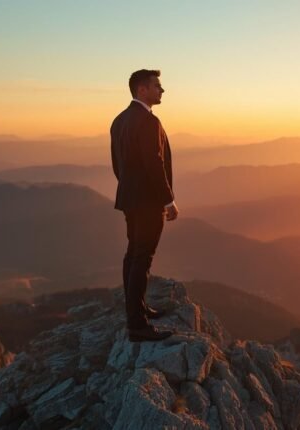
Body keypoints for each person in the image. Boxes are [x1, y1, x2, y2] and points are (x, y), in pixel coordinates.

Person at [110, 69, 179, 342]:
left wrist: (129, 188)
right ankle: (137, 325)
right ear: (142, 90)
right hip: (149, 202)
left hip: (129, 198)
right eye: (157, 86)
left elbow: (117, 164)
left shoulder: (119, 120)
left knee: (133, 254)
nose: (162, 90)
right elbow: (155, 164)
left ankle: (136, 310)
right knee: (142, 257)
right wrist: (168, 200)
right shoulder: (149, 122)